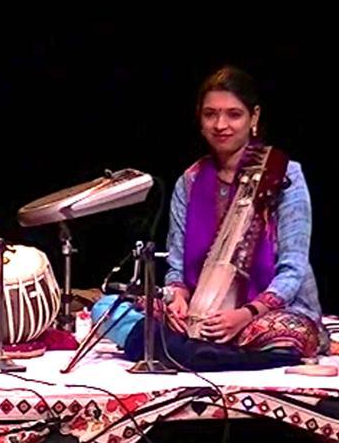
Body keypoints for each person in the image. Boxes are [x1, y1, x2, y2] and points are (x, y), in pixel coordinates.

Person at [114, 66, 324, 370]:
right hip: (202, 311)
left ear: (254, 117)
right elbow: (176, 265)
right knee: (108, 309)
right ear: (200, 120)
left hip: (269, 313)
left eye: (233, 115)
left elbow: (293, 269)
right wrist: (178, 298)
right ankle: (211, 355)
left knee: (287, 335)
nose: (221, 125)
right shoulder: (189, 181)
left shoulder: (285, 175)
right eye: (210, 114)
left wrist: (247, 313)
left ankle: (188, 352)